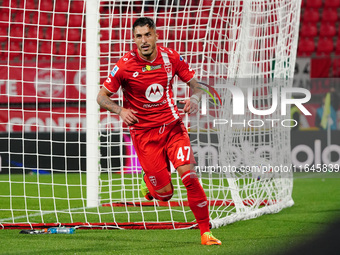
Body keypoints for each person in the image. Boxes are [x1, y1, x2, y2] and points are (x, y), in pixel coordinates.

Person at [97, 17, 221, 245]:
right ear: (133, 39)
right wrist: (121, 110)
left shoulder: (171, 57)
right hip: (145, 136)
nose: (143, 41)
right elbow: (101, 97)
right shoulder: (124, 65)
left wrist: (194, 97)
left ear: (155, 35)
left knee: (190, 177)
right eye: (138, 36)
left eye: (147, 35)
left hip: (173, 128)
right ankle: (149, 180)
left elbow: (197, 85)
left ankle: (206, 232)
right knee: (164, 195)